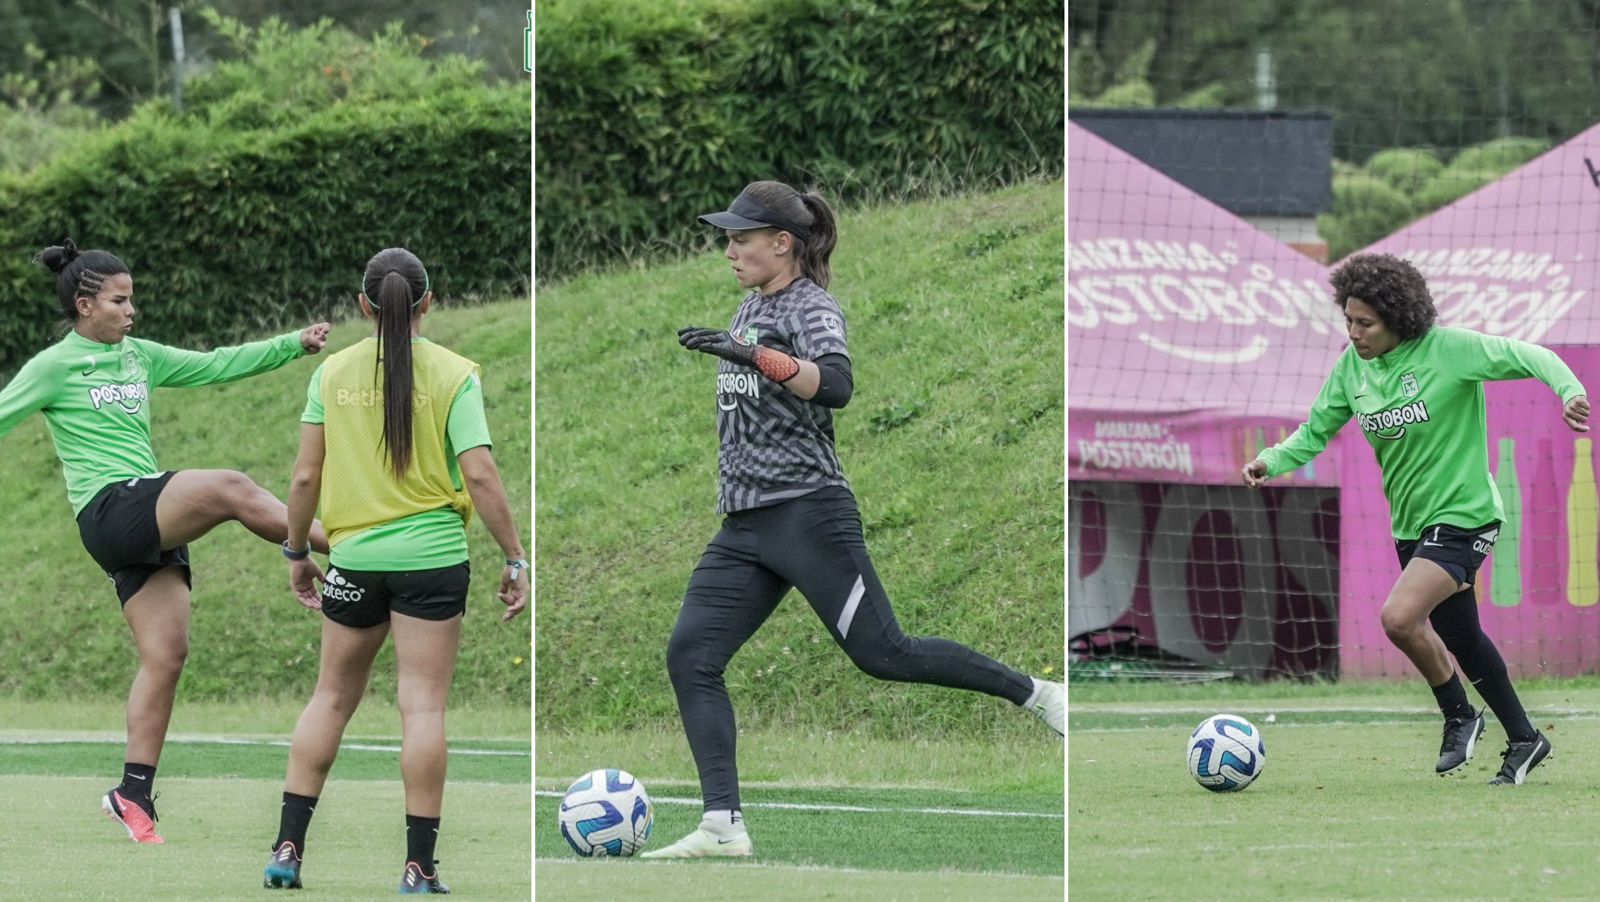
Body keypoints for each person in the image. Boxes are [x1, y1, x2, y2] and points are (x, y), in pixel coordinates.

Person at [640, 181, 1062, 860]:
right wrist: (743, 346)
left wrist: (752, 355)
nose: (729, 250)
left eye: (741, 238)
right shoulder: (750, 304)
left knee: (884, 654)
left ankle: (1039, 695)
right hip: (744, 527)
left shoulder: (812, 306)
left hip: (809, 513)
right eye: (728, 238)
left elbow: (835, 384)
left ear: (783, 244)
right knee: (691, 655)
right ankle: (723, 826)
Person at [0, 240, 331, 844]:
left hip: (143, 515)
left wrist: (291, 345)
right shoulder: (54, 365)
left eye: (132, 299)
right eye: (119, 301)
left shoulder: (140, 356)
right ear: (84, 304)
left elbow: (214, 365)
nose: (131, 311)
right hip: (109, 507)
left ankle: (132, 791)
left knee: (167, 654)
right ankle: (346, 546)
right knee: (231, 487)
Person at [1244, 252, 1588, 786]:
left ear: (1399, 319)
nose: (1354, 332)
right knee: (1463, 637)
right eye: (1349, 320)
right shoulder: (1351, 368)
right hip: (1412, 525)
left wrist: (1570, 391)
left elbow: (1532, 356)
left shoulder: (1450, 350)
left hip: (1467, 516)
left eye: (1366, 323)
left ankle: (1458, 715)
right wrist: (1271, 460)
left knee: (1399, 618)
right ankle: (1525, 738)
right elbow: (1314, 432)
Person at [262, 248, 527, 894]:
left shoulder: (331, 374)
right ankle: (418, 868)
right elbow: (481, 474)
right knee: (422, 708)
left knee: (330, 698)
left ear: (363, 308)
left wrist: (298, 553)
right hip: (433, 561)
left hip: (353, 561)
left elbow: (303, 476)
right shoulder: (456, 372)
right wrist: (515, 556)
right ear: (428, 304)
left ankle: (287, 853)